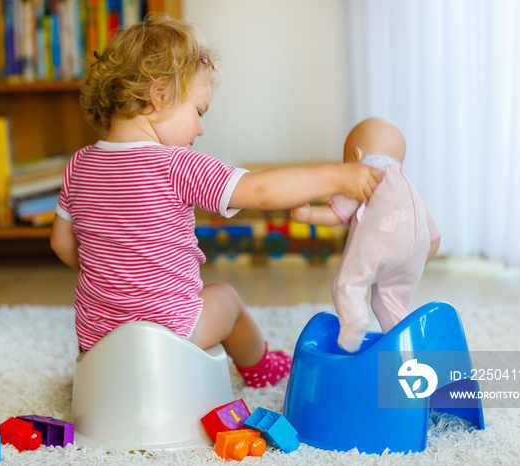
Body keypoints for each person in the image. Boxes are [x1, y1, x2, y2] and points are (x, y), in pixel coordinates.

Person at [50, 15, 382, 388]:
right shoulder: (177, 164)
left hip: (96, 341)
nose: (201, 128)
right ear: (159, 95)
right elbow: (261, 191)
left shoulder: (79, 165)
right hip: (172, 333)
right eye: (199, 111)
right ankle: (260, 368)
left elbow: (62, 244)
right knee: (225, 298)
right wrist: (337, 177)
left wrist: (114, 263)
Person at [291, 118, 441, 352]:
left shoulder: (365, 176)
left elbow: (334, 214)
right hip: (416, 250)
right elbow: (434, 236)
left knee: (347, 283)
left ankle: (354, 326)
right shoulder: (411, 188)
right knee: (388, 300)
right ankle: (403, 345)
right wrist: (418, 259)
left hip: (381, 241)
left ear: (355, 155)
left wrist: (308, 214)